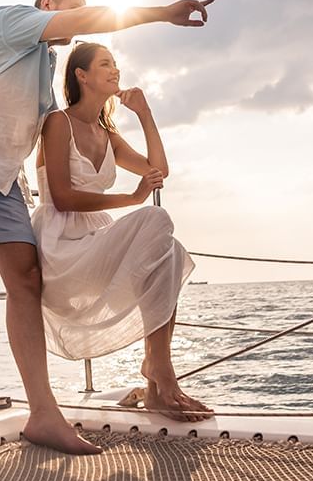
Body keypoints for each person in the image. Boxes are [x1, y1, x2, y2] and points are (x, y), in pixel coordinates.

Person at [0, 0, 213, 453]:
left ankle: (44, 413)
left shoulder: (45, 82)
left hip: (3, 179)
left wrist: (135, 115)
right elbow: (65, 186)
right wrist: (161, 12)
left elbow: (79, 139)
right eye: (74, 9)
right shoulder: (9, 21)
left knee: (27, 280)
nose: (80, 17)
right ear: (47, 6)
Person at [33, 42, 214, 422]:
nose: (115, 70)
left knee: (171, 253)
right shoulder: (57, 123)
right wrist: (131, 198)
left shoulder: (107, 135)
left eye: (115, 64)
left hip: (97, 243)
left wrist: (145, 115)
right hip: (62, 249)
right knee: (157, 221)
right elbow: (63, 198)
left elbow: (158, 172)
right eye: (105, 64)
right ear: (82, 76)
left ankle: (157, 380)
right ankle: (160, 372)